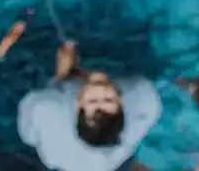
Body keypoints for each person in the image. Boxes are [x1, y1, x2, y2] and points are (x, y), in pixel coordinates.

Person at [16, 40, 161, 171]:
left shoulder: (45, 107)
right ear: (121, 100)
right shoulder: (144, 98)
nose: (99, 90)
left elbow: (28, 136)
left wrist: (61, 78)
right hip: (116, 162)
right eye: (108, 99)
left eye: (92, 100)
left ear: (78, 103)